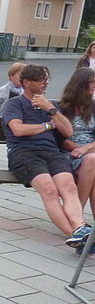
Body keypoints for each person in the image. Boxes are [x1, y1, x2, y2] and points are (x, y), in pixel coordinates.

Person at [2, 64, 91, 248]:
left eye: (47, 79)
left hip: (51, 152)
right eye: (41, 80)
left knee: (69, 187)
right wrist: (48, 126)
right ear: (27, 83)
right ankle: (75, 235)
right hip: (23, 153)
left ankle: (79, 228)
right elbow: (18, 130)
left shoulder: (51, 106)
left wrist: (50, 109)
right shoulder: (15, 104)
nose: (46, 83)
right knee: (49, 190)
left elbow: (67, 131)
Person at [58, 67, 95, 226]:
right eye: (92, 82)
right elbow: (60, 138)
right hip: (70, 153)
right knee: (92, 162)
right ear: (81, 84)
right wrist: (78, 149)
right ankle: (78, 214)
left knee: (92, 160)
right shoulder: (63, 108)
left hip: (90, 150)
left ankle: (76, 218)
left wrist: (86, 148)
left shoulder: (93, 107)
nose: (94, 86)